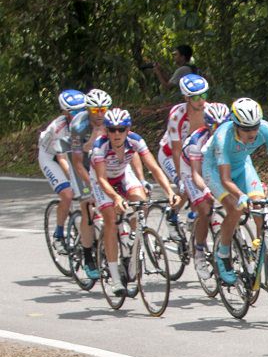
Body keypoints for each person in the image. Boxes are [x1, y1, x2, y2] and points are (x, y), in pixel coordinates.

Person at [201, 97, 268, 286]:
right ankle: (223, 255)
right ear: (235, 125)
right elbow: (225, 179)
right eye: (246, 129)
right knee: (235, 208)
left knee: (261, 211)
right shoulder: (223, 137)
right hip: (215, 170)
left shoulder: (265, 129)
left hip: (243, 165)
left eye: (255, 127)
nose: (252, 132)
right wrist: (241, 196)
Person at [89, 108, 181, 294]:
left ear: (128, 129)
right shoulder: (100, 146)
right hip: (102, 181)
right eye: (112, 129)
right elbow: (101, 179)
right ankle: (115, 278)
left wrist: (170, 192)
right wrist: (115, 197)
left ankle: (132, 238)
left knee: (142, 202)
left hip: (123, 174)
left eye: (121, 129)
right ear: (106, 130)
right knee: (109, 220)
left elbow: (154, 168)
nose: (116, 134)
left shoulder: (135, 141)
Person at [179, 102, 229, 275]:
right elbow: (196, 175)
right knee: (205, 210)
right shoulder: (196, 141)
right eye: (215, 125)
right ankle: (199, 251)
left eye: (224, 124)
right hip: (192, 170)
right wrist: (207, 191)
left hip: (212, 167)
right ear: (208, 125)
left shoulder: (231, 136)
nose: (219, 128)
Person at [69, 88, 113, 279]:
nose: (100, 114)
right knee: (87, 205)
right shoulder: (78, 126)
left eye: (104, 109)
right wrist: (93, 186)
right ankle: (88, 256)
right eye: (95, 110)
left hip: (102, 165)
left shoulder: (113, 121)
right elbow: (78, 162)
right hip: (83, 167)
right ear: (88, 110)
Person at [39, 90, 87, 253]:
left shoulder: (88, 120)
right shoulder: (59, 127)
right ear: (65, 112)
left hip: (72, 154)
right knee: (68, 194)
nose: (79, 114)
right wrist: (76, 181)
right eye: (74, 112)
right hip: (51, 157)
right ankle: (58, 235)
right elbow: (62, 159)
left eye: (83, 109)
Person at [159, 74, 210, 207]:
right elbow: (176, 150)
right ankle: (173, 213)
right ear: (186, 98)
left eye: (204, 95)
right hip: (169, 154)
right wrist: (181, 179)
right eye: (196, 97)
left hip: (191, 154)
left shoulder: (210, 112)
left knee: (202, 187)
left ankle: (193, 219)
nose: (201, 101)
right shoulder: (177, 115)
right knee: (186, 186)